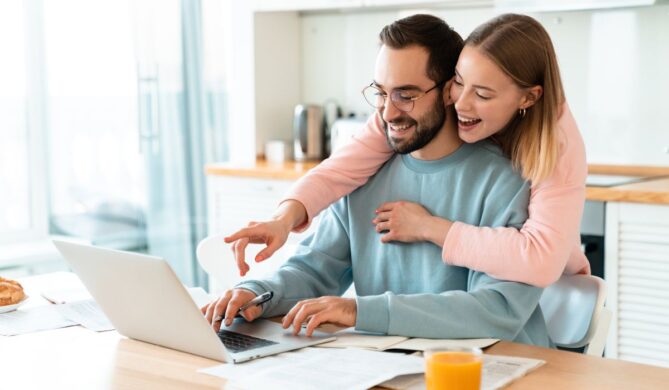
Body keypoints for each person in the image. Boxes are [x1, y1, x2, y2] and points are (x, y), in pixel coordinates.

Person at [202, 14, 551, 347]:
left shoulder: (506, 180)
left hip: (499, 367)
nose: (388, 112)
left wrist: (359, 311)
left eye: (406, 95)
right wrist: (257, 293)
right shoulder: (366, 171)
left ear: (450, 92)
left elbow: (494, 310)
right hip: (396, 365)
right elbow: (313, 269)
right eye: (381, 93)